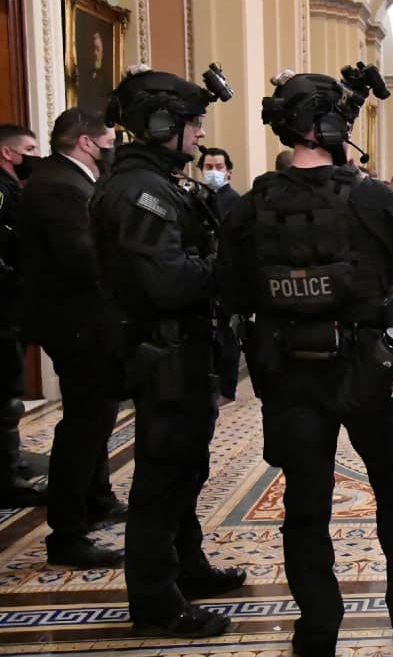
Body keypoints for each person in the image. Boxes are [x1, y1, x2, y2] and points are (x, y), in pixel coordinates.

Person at [219, 65, 393, 657]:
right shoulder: (369, 195)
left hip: (285, 369)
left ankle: (317, 629)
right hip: (365, 366)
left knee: (305, 504)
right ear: (333, 124)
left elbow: (229, 288)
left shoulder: (251, 204)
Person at [91, 66, 243, 637]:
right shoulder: (140, 192)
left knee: (187, 468)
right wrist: (224, 270)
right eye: (192, 123)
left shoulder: (162, 184)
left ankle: (188, 568)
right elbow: (169, 281)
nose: (201, 134)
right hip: (162, 352)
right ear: (160, 125)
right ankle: (156, 601)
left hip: (183, 350)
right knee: (162, 478)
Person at [20, 108, 126, 566]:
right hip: (78, 324)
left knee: (98, 418)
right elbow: (82, 258)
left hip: (86, 321)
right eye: (109, 138)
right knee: (83, 425)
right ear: (87, 141)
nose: (113, 145)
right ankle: (67, 533)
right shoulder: (59, 186)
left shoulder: (66, 179)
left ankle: (97, 499)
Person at [0, 124, 39, 507]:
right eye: (29, 148)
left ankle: (10, 464)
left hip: (13, 306)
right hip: (2, 307)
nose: (34, 155)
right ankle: (6, 476)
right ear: (8, 153)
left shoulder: (16, 190)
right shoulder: (1, 191)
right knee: (7, 395)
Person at [197, 147, 242, 407]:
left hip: (226, 275)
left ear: (228, 172)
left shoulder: (233, 201)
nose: (213, 172)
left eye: (218, 167)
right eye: (209, 167)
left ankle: (227, 387)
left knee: (228, 334)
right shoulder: (199, 198)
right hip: (203, 274)